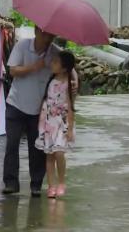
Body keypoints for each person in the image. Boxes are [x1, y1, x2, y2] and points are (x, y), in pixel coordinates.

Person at [2, 26, 75, 197]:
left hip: (40, 111)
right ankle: (11, 183)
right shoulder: (22, 46)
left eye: (52, 34)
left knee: (37, 149)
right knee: (11, 145)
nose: (48, 37)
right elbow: (12, 70)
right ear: (36, 31)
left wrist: (73, 83)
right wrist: (35, 66)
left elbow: (70, 71)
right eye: (45, 33)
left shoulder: (56, 53)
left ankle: (36, 184)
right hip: (16, 104)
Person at [35, 51, 76, 198]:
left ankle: (61, 182)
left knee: (59, 152)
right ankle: (51, 186)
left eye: (56, 62)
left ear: (64, 68)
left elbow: (71, 107)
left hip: (62, 122)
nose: (52, 64)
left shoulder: (70, 84)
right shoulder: (50, 80)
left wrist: (70, 129)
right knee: (49, 155)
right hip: (48, 121)